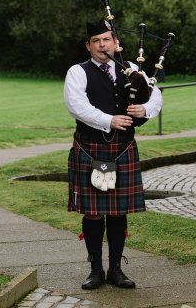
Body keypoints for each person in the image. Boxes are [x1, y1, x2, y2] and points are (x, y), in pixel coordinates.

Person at [64, 18, 163, 290]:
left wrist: (146, 109)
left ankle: (116, 270)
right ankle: (95, 270)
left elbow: (155, 94)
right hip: (90, 149)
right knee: (94, 213)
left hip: (122, 150)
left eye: (106, 39)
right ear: (88, 46)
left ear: (115, 43)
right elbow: (76, 106)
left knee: (118, 213)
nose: (101, 45)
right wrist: (109, 120)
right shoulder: (78, 72)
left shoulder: (130, 69)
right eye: (95, 41)